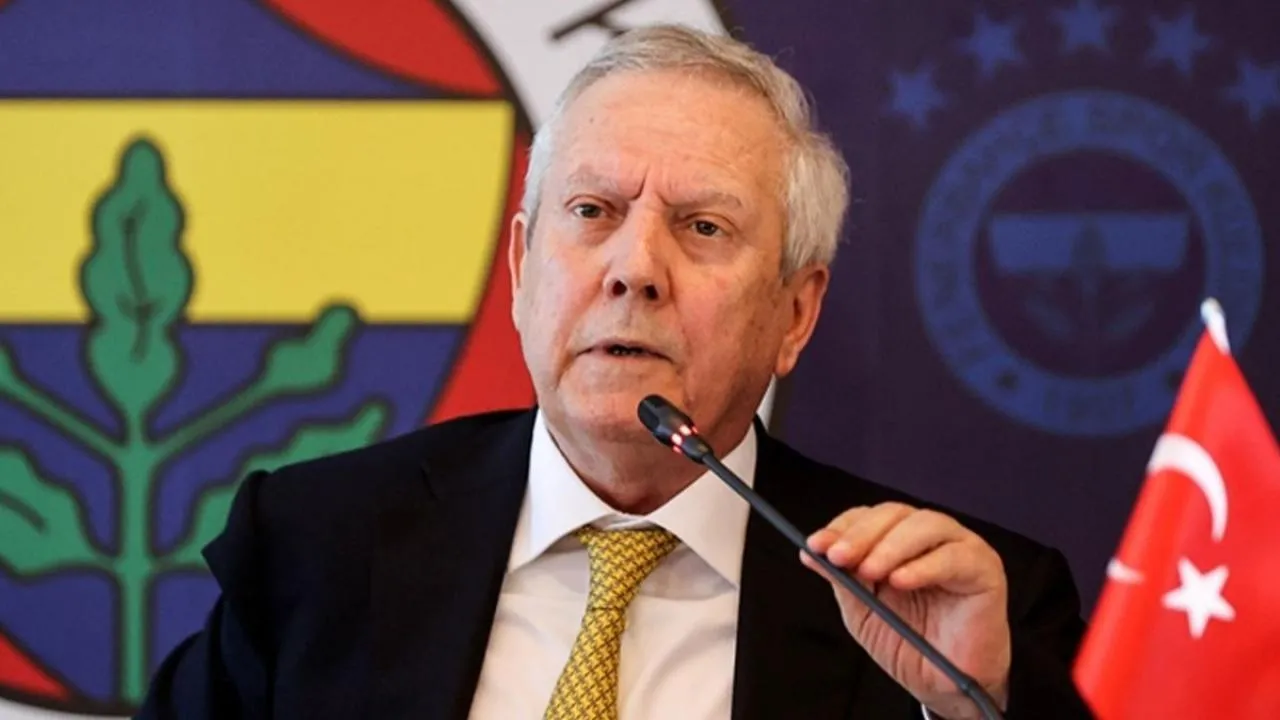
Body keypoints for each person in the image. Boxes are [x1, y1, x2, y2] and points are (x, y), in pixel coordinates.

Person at [137, 24, 1093, 720]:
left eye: (703, 227)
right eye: (592, 212)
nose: (635, 268)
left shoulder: (957, 614)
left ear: (795, 313)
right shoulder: (314, 548)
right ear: (522, 268)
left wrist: (972, 709)